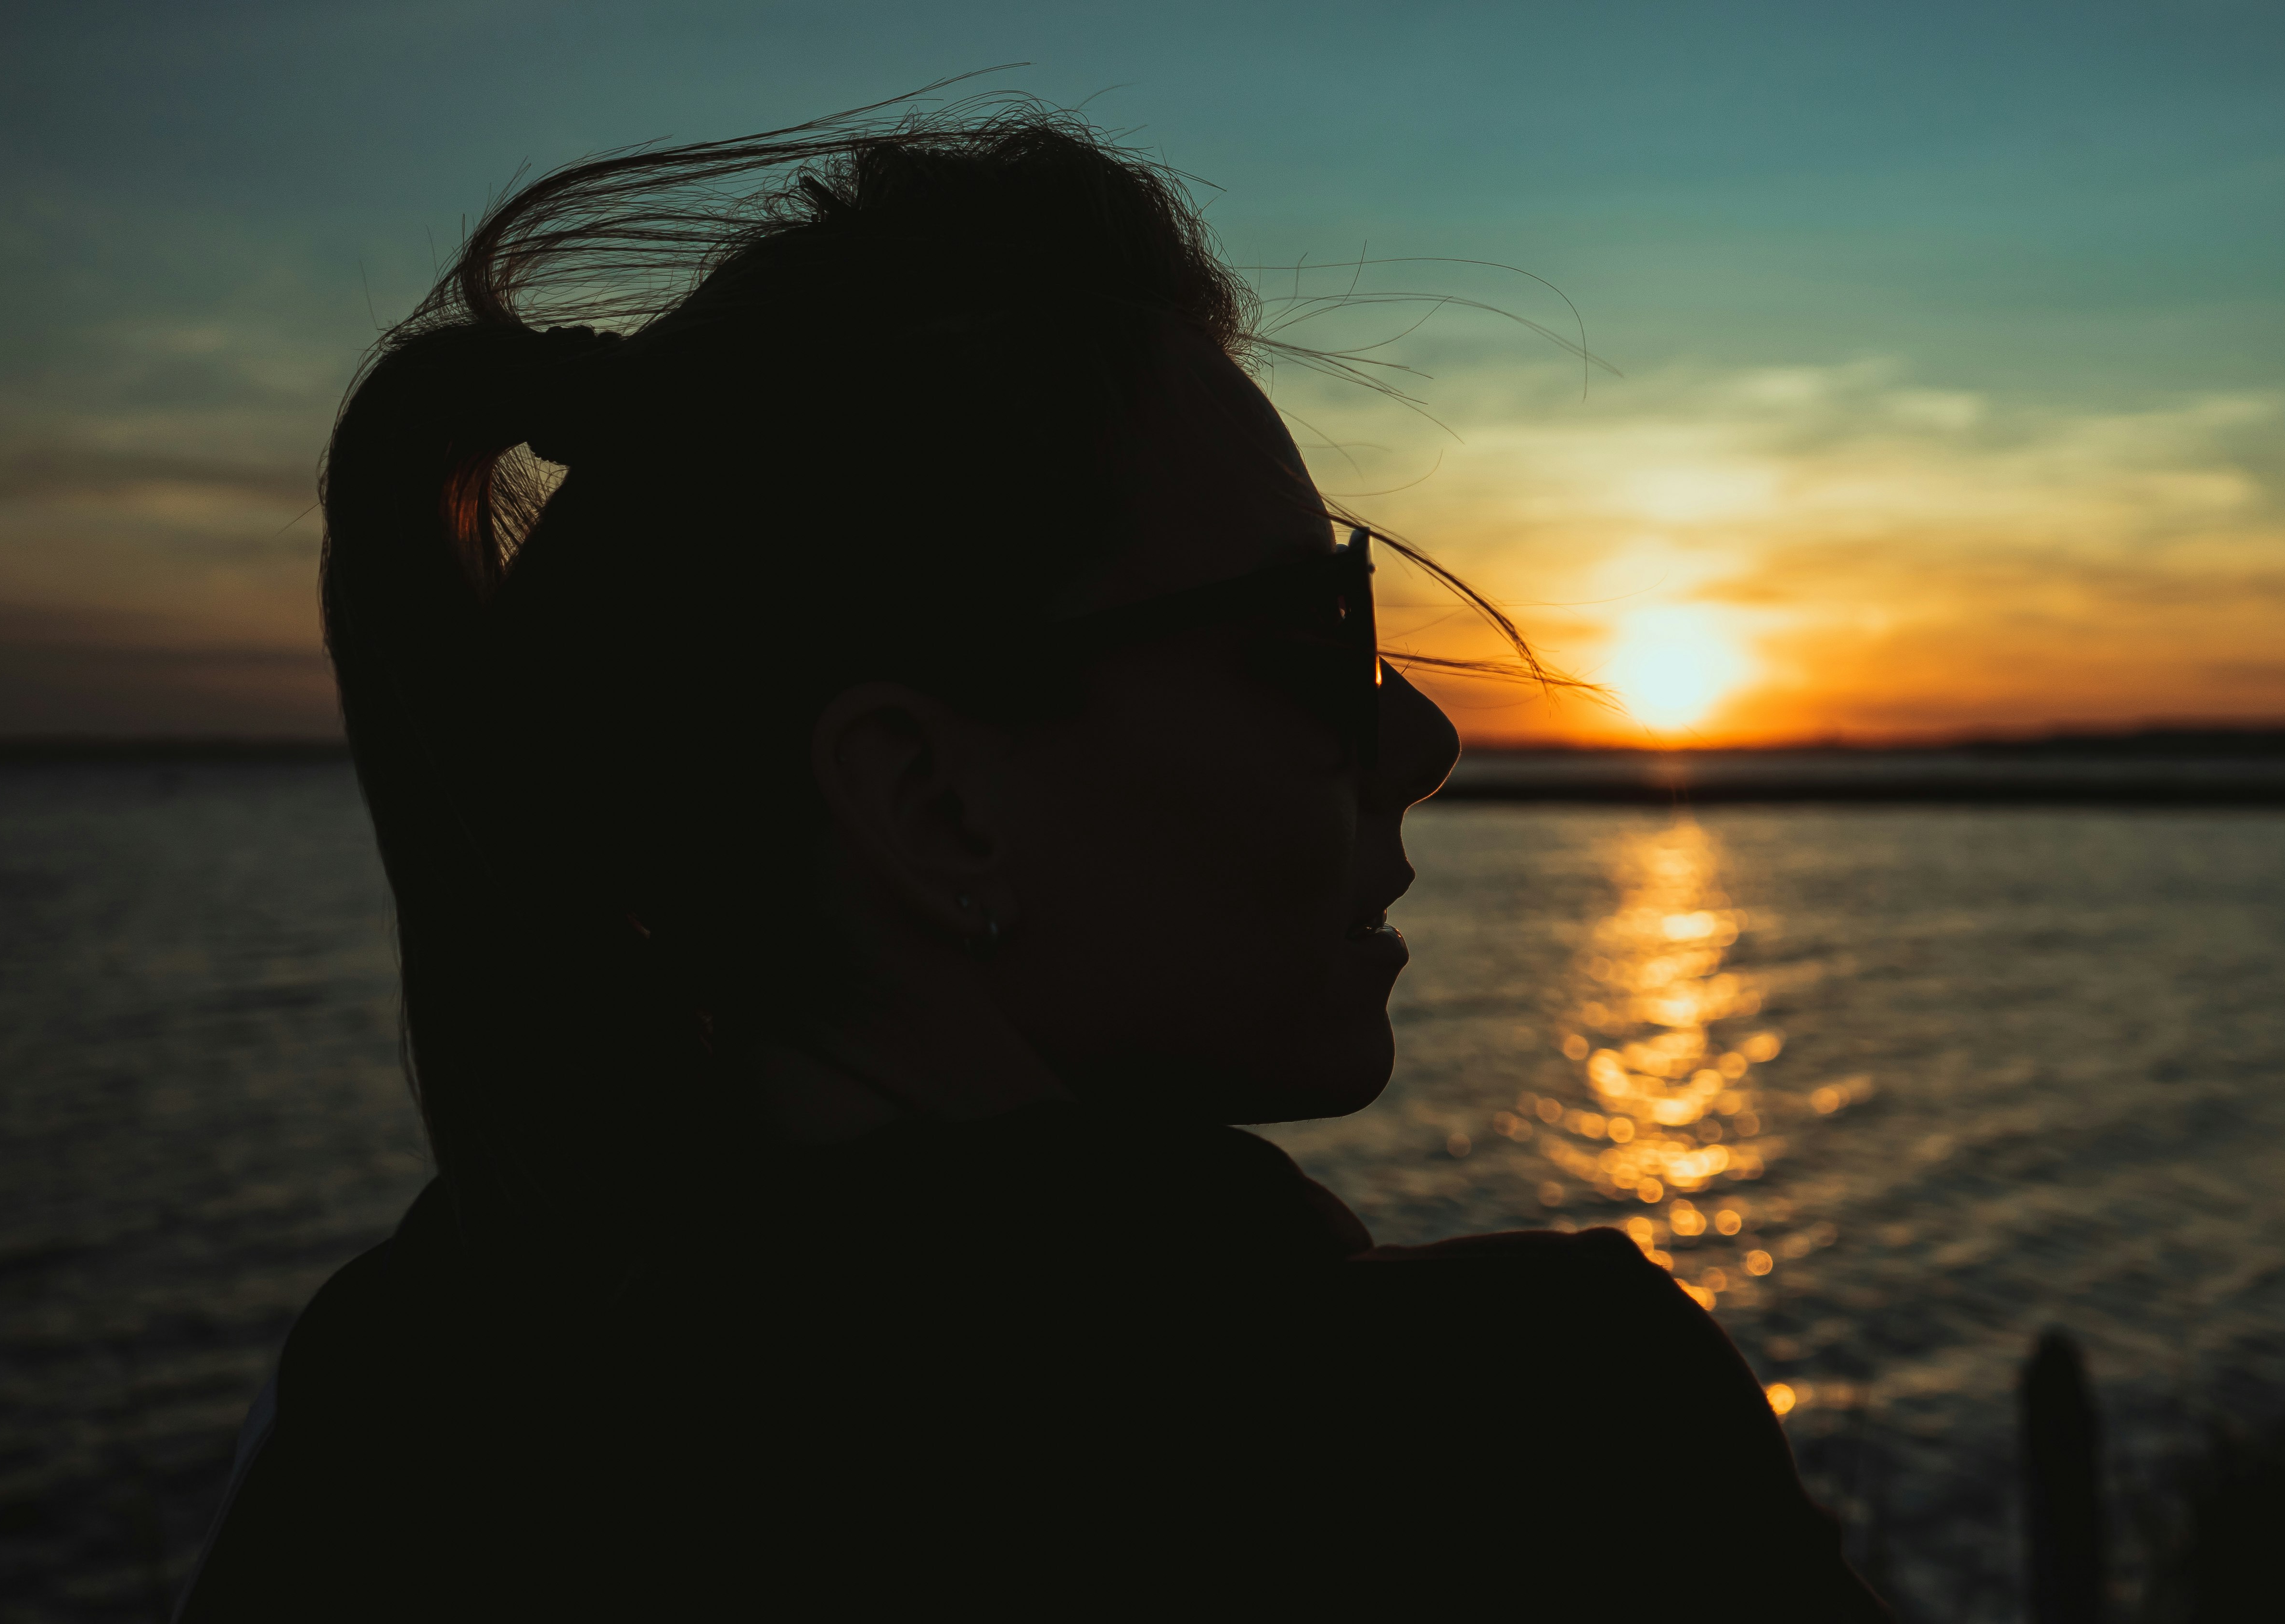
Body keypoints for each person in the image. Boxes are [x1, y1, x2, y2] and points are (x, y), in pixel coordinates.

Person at [176, 96, 1890, 1619]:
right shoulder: (1532, 1441)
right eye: (1309, 640)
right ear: (934, 805)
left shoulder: (388, 1394)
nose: (1421, 744)